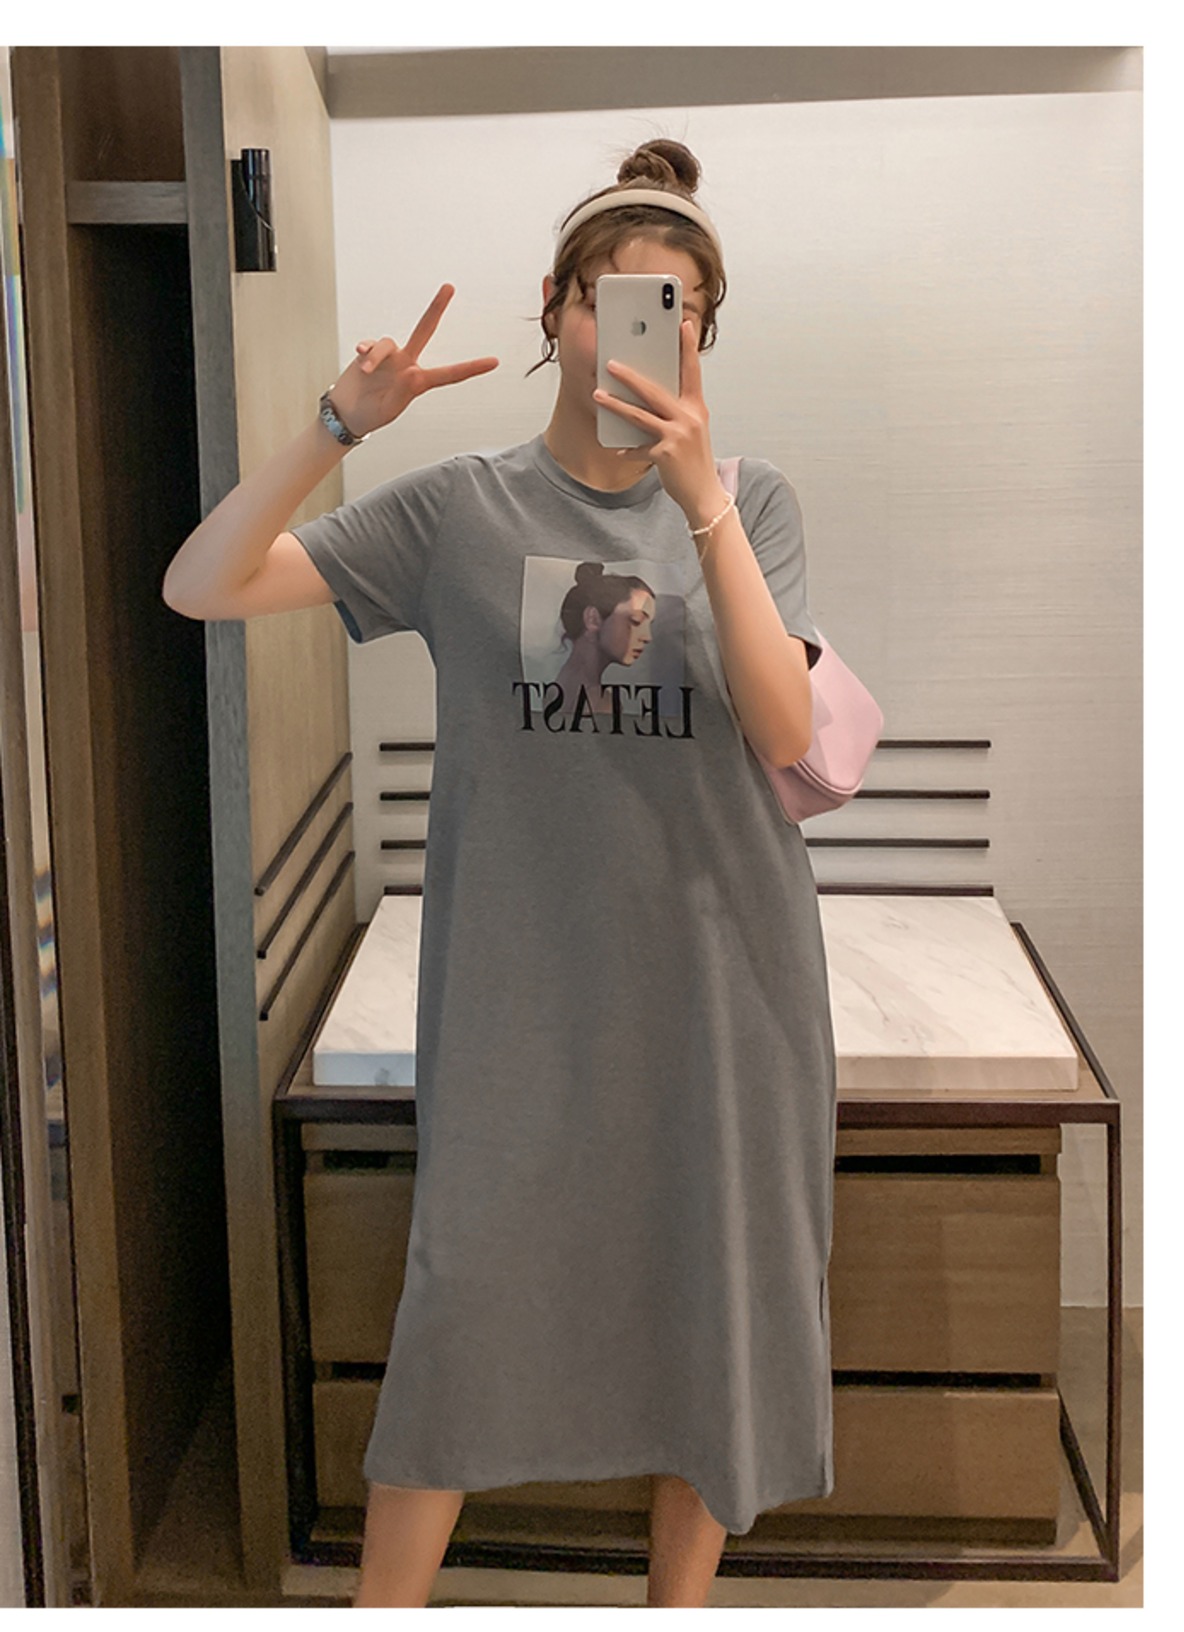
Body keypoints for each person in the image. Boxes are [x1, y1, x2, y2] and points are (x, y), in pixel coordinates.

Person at [163, 137, 837, 1610]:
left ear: (704, 335)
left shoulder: (753, 505)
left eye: (675, 312)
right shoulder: (454, 511)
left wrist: (702, 502)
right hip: (518, 1004)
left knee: (711, 1313)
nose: (635, 337)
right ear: (554, 307)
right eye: (609, 302)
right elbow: (200, 583)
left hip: (724, 995)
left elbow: (786, 732)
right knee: (461, 1318)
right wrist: (334, 426)